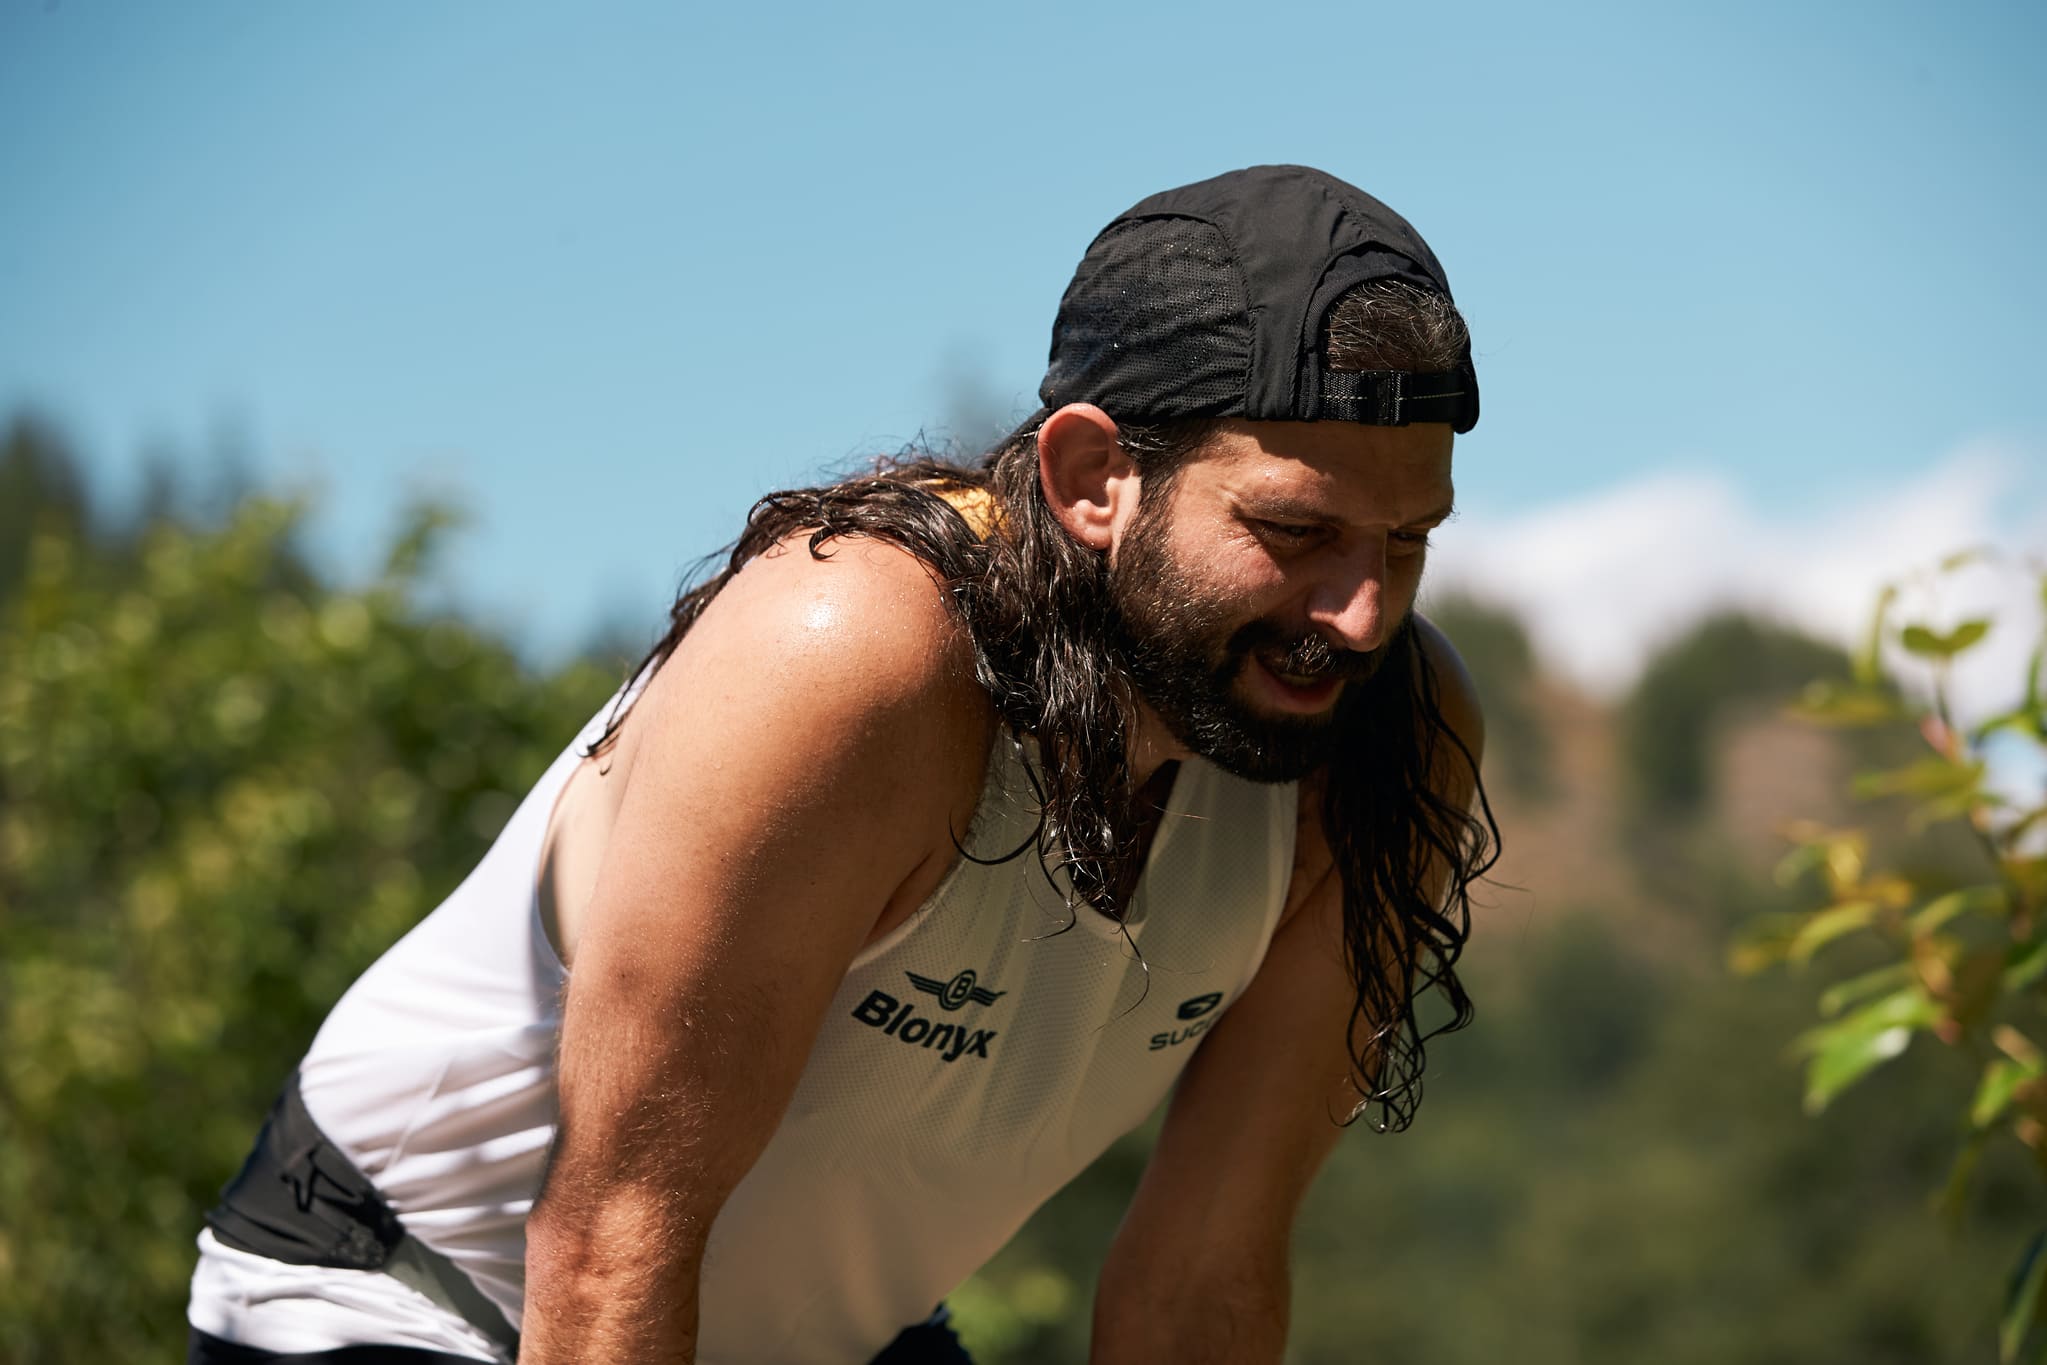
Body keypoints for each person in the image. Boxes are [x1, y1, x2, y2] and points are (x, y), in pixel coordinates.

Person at [186, 163, 1498, 1365]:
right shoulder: (861, 656)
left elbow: (1200, 1280)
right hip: (416, 1299)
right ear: (1095, 476)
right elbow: (610, 1238)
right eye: (1293, 530)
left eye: (1404, 542)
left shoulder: (1384, 738)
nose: (1360, 613)